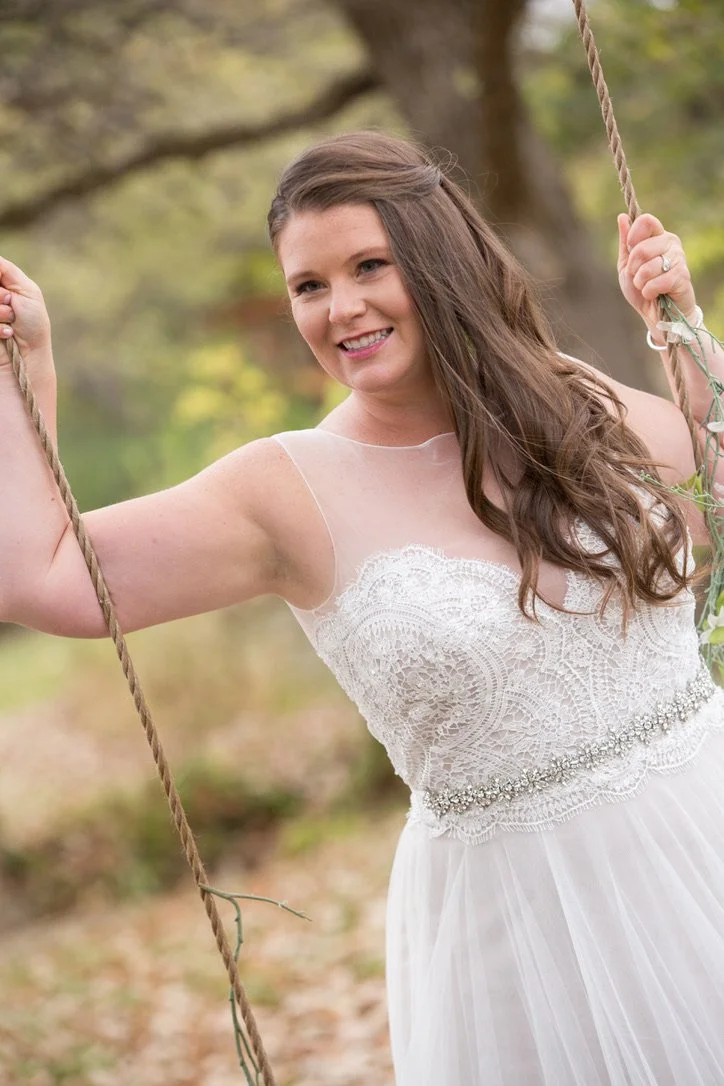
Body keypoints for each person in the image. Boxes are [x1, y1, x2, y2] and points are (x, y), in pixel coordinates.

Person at [2, 130, 724, 1085]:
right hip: (524, 921)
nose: (340, 308)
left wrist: (682, 329)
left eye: (369, 266)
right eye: (308, 286)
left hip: (705, 824)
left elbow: (711, 489)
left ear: (441, 260)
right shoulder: (284, 490)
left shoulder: (567, 399)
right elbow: (45, 576)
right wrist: (27, 367)